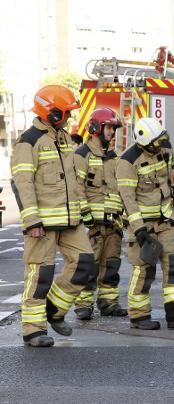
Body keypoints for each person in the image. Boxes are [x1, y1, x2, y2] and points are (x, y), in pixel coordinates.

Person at [11, 85, 95, 347]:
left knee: (84, 263)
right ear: (52, 111)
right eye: (66, 113)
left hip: (71, 220)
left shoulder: (65, 138)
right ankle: (33, 330)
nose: (69, 118)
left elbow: (72, 180)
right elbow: (22, 183)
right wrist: (31, 221)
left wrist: (81, 212)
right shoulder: (28, 141)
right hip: (42, 224)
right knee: (40, 275)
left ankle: (54, 310)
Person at [116, 117, 174, 330]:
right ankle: (138, 316)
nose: (158, 146)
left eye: (160, 141)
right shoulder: (127, 161)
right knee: (144, 271)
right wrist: (139, 231)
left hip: (167, 223)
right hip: (143, 226)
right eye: (154, 143)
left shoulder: (165, 149)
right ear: (143, 141)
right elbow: (128, 200)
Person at [72, 108, 127, 320]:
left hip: (113, 224)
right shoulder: (81, 155)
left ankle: (109, 303)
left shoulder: (113, 157)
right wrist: (85, 214)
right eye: (109, 127)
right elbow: (77, 188)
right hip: (91, 225)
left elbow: (120, 188)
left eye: (113, 128)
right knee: (89, 266)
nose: (112, 132)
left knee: (111, 265)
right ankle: (83, 305)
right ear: (95, 128)